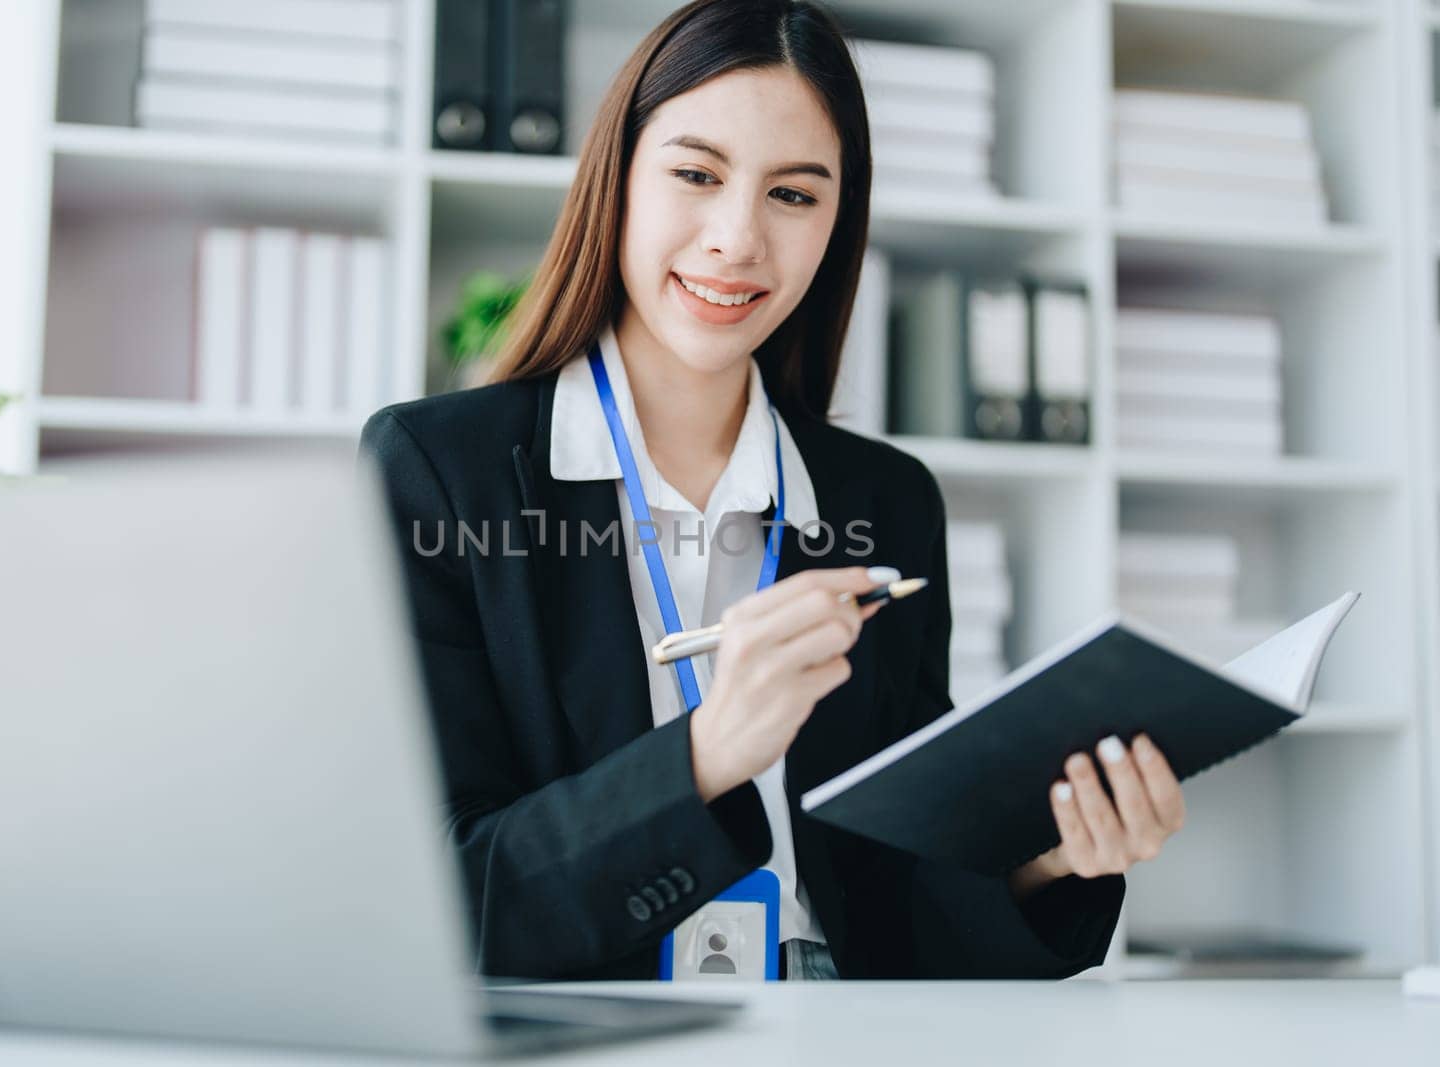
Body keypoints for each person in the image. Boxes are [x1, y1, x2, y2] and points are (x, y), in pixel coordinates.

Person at [363, 0, 1186, 981]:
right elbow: (432, 897)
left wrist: (1053, 858)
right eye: (695, 175)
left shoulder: (888, 502)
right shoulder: (438, 472)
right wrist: (708, 749)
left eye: (794, 195)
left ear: (839, 223)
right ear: (615, 178)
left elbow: (893, 896)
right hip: (589, 1029)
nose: (735, 239)